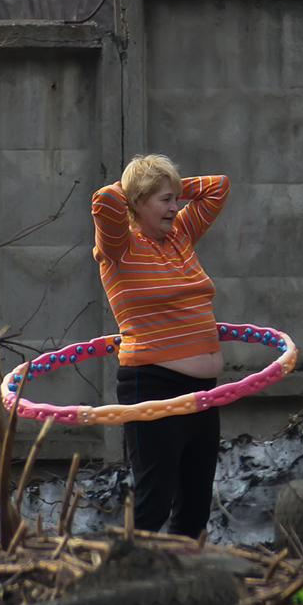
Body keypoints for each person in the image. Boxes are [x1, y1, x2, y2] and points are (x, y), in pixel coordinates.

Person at [91, 154, 229, 538]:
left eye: (176, 199)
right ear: (136, 203)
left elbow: (219, 186)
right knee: (154, 501)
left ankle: (182, 588)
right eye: (164, 200)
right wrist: (135, 185)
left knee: (196, 506)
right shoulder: (119, 248)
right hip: (153, 386)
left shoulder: (180, 235)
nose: (175, 207)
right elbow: (103, 200)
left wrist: (171, 186)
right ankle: (131, 584)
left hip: (204, 393)